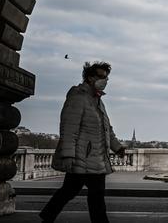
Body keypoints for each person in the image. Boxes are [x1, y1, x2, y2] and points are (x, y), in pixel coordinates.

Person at [39, 61, 125, 223]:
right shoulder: (78, 98)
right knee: (95, 197)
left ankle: (47, 216)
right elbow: (69, 129)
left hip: (95, 158)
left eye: (107, 78)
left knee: (69, 191)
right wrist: (68, 155)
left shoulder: (98, 101)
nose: (105, 80)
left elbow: (107, 129)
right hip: (82, 158)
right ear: (89, 77)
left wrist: (117, 147)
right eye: (101, 76)